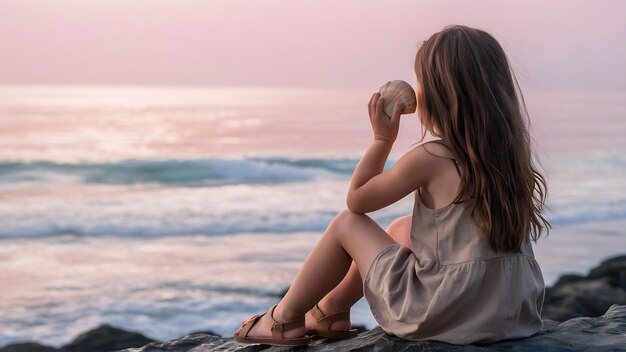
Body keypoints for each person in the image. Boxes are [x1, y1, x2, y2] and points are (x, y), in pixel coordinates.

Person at [233, 24, 550, 347]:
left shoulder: (432, 156)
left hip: (446, 311)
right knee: (403, 228)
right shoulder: (510, 156)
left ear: (439, 94)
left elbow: (358, 200)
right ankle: (331, 309)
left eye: (421, 83)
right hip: (512, 310)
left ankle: (284, 318)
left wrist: (382, 139)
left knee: (348, 224)